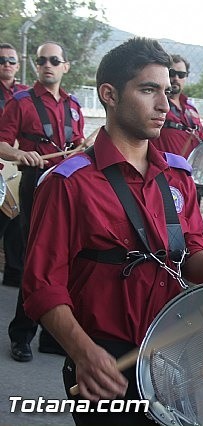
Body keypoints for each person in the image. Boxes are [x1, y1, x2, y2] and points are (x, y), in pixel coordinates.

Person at [21, 37, 203, 425]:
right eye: (149, 90)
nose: (163, 105)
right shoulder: (68, 183)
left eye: (168, 91)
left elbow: (189, 256)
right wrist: (82, 352)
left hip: (171, 354)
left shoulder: (178, 175)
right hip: (106, 362)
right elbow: (41, 286)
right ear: (109, 95)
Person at [0, 41, 84, 362]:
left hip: (67, 184)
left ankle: (52, 335)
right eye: (41, 61)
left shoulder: (73, 105)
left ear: (66, 66)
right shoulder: (21, 102)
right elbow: (2, 143)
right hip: (36, 182)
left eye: (54, 60)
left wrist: (80, 149)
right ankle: (21, 335)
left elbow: (75, 144)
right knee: (39, 259)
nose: (47, 65)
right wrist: (22, 154)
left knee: (66, 259)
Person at [149, 54, 203, 158]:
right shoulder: (155, 104)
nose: (176, 78)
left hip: (190, 171)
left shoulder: (191, 109)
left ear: (186, 77)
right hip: (163, 171)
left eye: (181, 75)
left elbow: (200, 145)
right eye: (172, 73)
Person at [0, 42, 28, 289]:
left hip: (10, 167)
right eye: (2, 61)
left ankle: (13, 274)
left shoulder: (23, 94)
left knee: (15, 221)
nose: (6, 64)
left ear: (18, 66)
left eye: (11, 61)